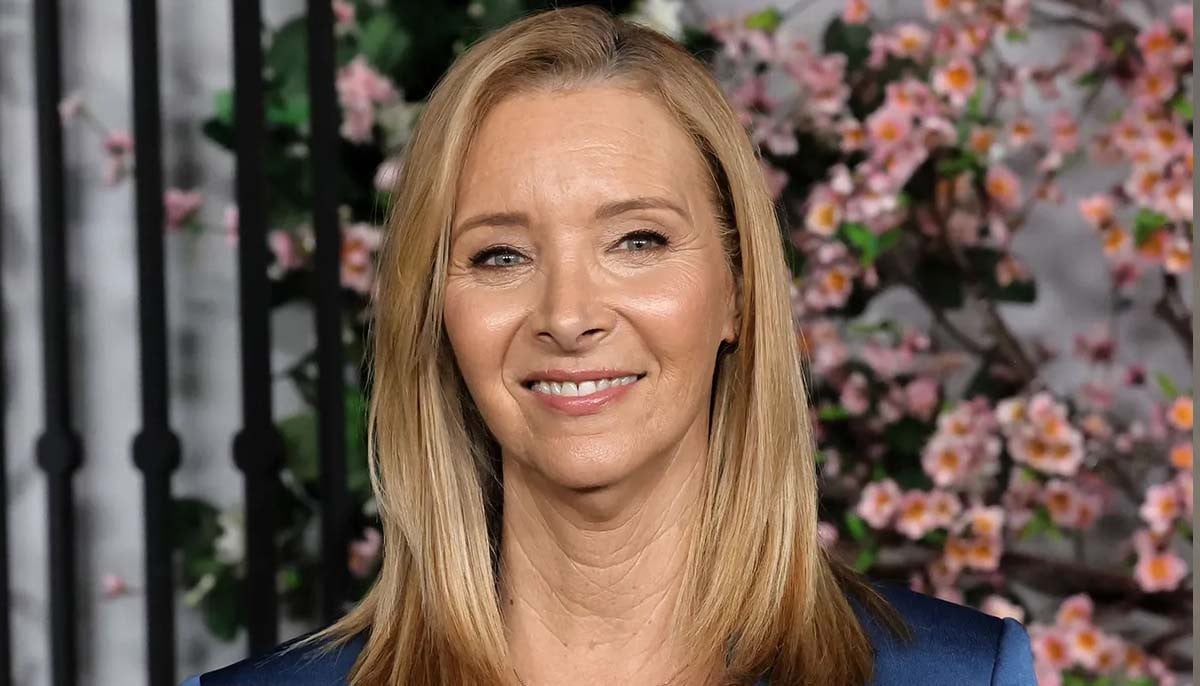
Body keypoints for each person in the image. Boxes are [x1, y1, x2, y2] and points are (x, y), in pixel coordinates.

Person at [184, 6, 1037, 685]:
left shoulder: (957, 675)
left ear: (738, 292)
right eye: (501, 255)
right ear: (437, 317)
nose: (567, 315)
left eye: (637, 241)